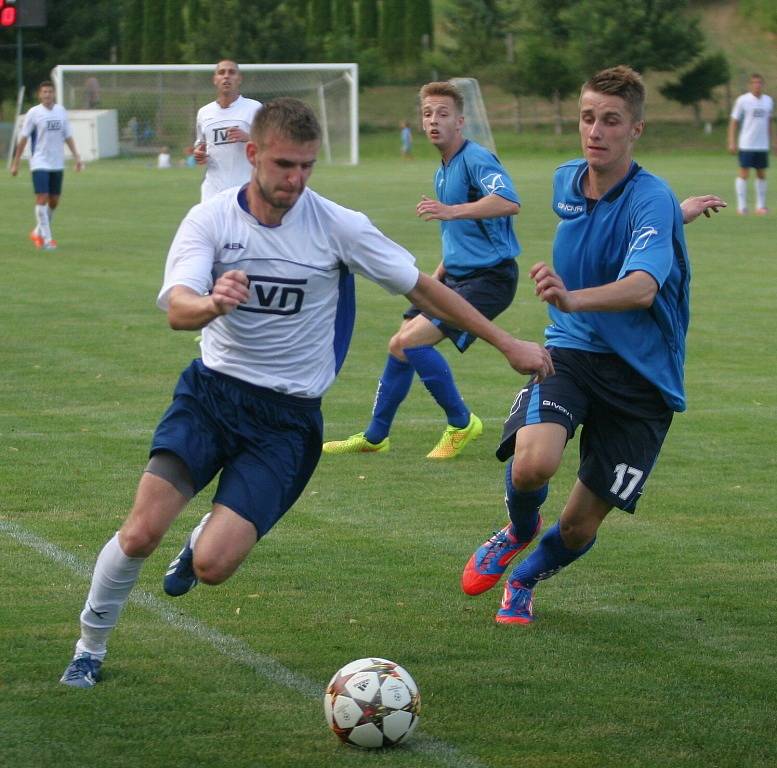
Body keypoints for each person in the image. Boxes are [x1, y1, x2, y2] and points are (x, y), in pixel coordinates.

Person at [59, 97, 553, 687]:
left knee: (215, 567)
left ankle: (197, 548)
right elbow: (179, 307)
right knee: (140, 531)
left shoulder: (336, 225)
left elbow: (423, 288)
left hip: (286, 422)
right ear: (252, 156)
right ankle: (90, 646)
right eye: (284, 165)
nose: (295, 180)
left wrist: (507, 343)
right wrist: (213, 302)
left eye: (307, 166)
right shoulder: (211, 219)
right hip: (212, 396)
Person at [460, 66, 724, 625]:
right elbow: (618, 224)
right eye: (587, 118)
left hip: (643, 380)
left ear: (636, 130)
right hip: (572, 352)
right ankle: (519, 527)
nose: (595, 131)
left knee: (581, 526)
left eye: (611, 121)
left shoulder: (652, 196)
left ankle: (525, 579)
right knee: (534, 465)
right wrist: (676, 220)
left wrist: (573, 296)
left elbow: (643, 285)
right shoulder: (566, 182)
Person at [323, 81, 524, 460]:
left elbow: (509, 201)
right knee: (399, 344)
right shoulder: (443, 169)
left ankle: (462, 423)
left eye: (443, 114)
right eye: (428, 114)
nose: (434, 121)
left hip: (491, 279)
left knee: (412, 342)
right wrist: (434, 279)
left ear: (460, 121)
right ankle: (375, 435)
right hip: (458, 276)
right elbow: (458, 239)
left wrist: (452, 210)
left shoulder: (477, 158)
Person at [10, 81, 83, 251]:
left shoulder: (61, 112)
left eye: (50, 91)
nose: (47, 95)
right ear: (39, 94)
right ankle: (48, 239)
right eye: (44, 92)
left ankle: (37, 231)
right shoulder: (34, 113)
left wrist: (77, 157)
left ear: (54, 94)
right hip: (39, 161)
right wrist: (16, 162)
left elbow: (68, 136)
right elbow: (23, 138)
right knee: (42, 197)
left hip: (57, 162)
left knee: (54, 201)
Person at [194, 59, 263, 201]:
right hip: (212, 191)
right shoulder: (204, 112)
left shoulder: (254, 108)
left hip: (245, 189)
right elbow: (201, 145)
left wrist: (249, 138)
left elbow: (272, 145)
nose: (226, 76)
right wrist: (199, 154)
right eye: (221, 73)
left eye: (232, 72)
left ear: (239, 79)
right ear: (215, 79)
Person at [728, 73, 774, 215]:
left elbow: (769, 122)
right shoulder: (743, 100)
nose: (757, 85)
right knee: (744, 173)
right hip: (747, 143)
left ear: (763, 84)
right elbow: (734, 121)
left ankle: (761, 206)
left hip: (762, 145)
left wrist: (774, 141)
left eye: (759, 82)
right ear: (750, 85)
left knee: (761, 173)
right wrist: (731, 141)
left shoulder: (768, 101)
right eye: (754, 83)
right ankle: (742, 207)